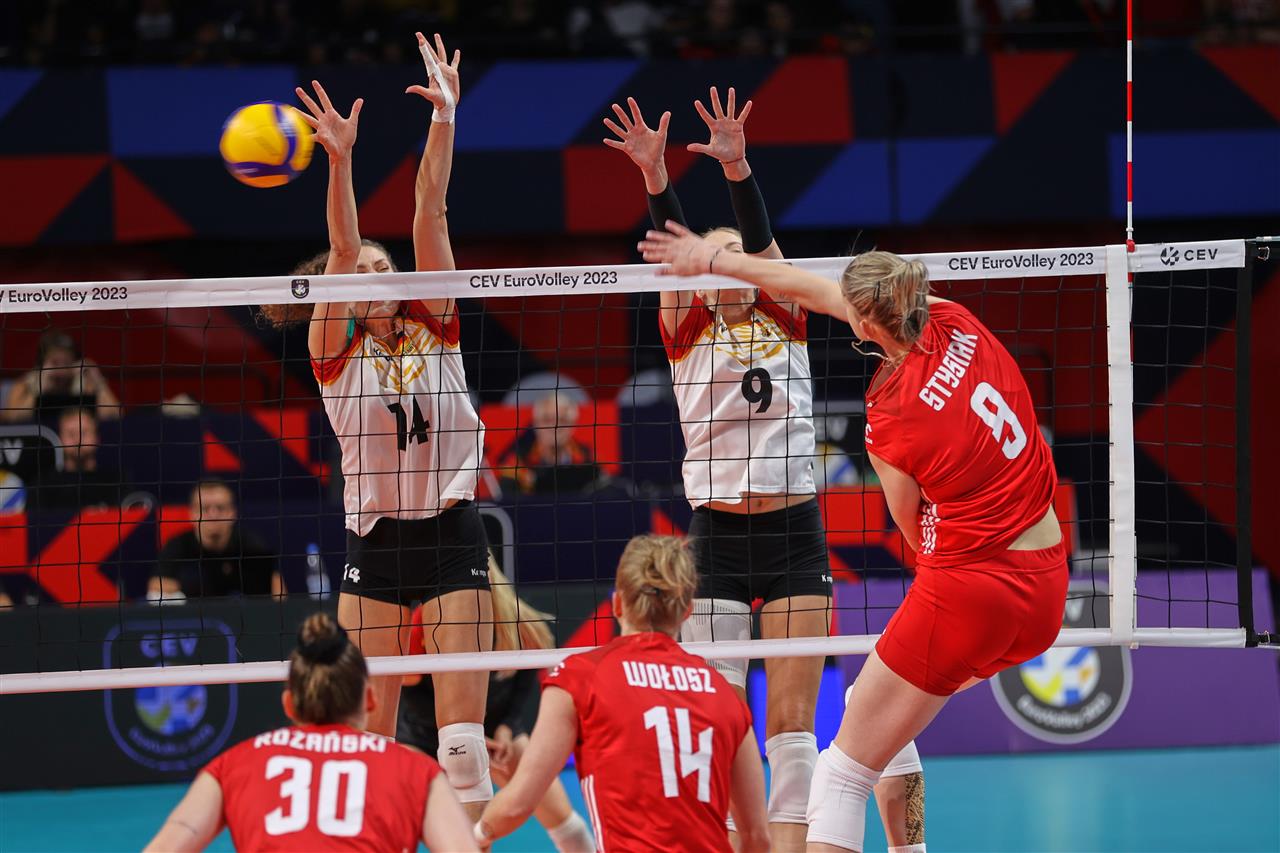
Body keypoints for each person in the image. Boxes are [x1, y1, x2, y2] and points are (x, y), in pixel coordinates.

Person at [638, 227, 1068, 853]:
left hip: (971, 591)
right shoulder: (960, 321)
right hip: (1047, 588)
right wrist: (717, 258)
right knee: (881, 716)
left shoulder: (891, 413)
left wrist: (712, 256)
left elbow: (909, 525)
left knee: (841, 771)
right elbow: (812, 290)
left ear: (865, 324)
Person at [605, 89, 926, 851]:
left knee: (790, 724)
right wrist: (655, 176)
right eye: (714, 259)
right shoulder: (685, 326)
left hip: (794, 536)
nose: (731, 266)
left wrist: (738, 168)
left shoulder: (784, 315)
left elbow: (763, 247)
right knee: (719, 718)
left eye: (740, 258)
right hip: (715, 540)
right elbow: (676, 250)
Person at [262, 36, 496, 816]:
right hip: (377, 546)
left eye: (383, 264)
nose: (373, 271)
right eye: (360, 270)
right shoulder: (333, 349)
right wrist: (339, 161)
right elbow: (340, 245)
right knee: (372, 739)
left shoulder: (438, 321)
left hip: (454, 532)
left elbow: (431, 207)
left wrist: (445, 119)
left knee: (462, 746)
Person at [475, 535, 770, 852]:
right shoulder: (722, 692)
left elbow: (517, 804)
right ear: (687, 611)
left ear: (617, 604)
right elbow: (756, 837)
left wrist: (475, 835)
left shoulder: (579, 677)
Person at [143, 613, 477, 852]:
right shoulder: (416, 771)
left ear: (289, 704)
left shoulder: (231, 766)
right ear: (370, 699)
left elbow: (167, 845)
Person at [397, 557, 595, 852]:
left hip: (497, 733)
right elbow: (411, 696)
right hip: (426, 735)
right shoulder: (428, 618)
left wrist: (505, 728)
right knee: (403, 811)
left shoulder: (517, 622)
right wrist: (465, 734)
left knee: (565, 822)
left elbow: (523, 685)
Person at [149, 479, 283, 601]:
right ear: (192, 513)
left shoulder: (249, 543)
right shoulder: (177, 544)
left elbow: (277, 589)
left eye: (220, 508)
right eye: (205, 508)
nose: (213, 514)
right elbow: (156, 585)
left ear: (232, 513)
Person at [1, 329, 121, 424]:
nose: (61, 369)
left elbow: (114, 415)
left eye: (66, 362)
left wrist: (98, 382)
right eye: (55, 362)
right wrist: (39, 390)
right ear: (43, 363)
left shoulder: (83, 383)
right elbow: (12, 419)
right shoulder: (27, 383)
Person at [496, 391, 600, 495]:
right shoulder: (518, 462)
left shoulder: (588, 459)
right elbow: (507, 498)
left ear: (573, 424)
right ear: (535, 423)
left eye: (562, 420)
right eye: (547, 420)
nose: (554, 427)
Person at [29, 405, 122, 512]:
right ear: (60, 439)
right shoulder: (43, 487)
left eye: (83, 433)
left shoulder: (117, 483)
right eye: (71, 434)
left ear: (97, 437)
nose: (78, 440)